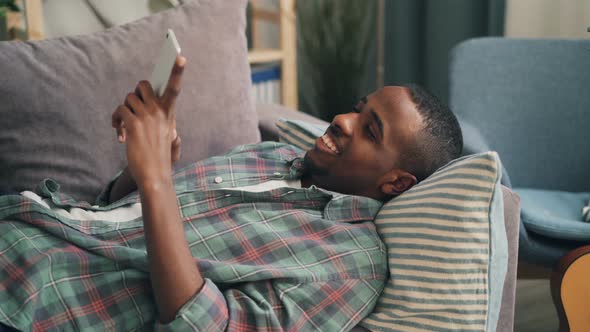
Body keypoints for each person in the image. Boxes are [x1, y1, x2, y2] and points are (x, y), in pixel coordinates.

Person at [0, 56, 462, 331]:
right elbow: (110, 214)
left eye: (370, 130)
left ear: (396, 183)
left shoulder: (349, 266)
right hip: (26, 222)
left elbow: (206, 325)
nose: (342, 120)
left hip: (32, 302)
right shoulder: (268, 154)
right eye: (359, 109)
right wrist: (142, 172)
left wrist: (159, 178)